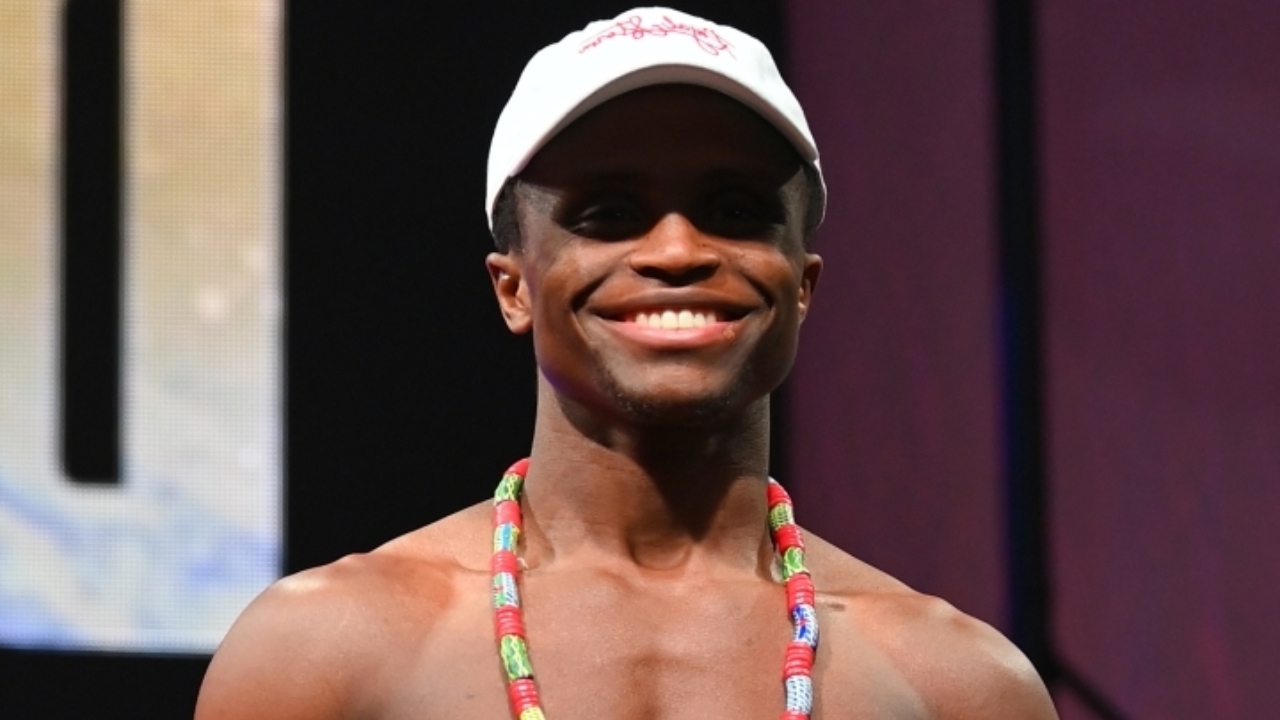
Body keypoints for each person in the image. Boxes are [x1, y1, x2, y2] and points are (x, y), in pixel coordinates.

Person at [195, 7, 1058, 719]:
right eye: (609, 212)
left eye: (735, 209)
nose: (678, 251)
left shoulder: (956, 687)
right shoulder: (325, 653)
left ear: (802, 286)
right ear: (514, 288)